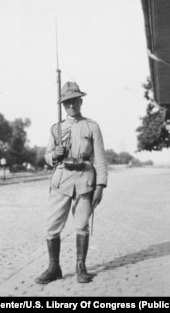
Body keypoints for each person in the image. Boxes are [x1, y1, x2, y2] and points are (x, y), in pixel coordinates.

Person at [35, 81, 108, 284]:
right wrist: (54, 155)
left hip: (85, 181)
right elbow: (47, 157)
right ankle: (54, 267)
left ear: (81, 101)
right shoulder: (56, 129)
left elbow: (100, 159)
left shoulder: (92, 126)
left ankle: (80, 267)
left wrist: (100, 186)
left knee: (82, 225)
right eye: (67, 102)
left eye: (74, 101)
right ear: (63, 105)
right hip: (61, 181)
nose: (71, 106)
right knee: (52, 225)